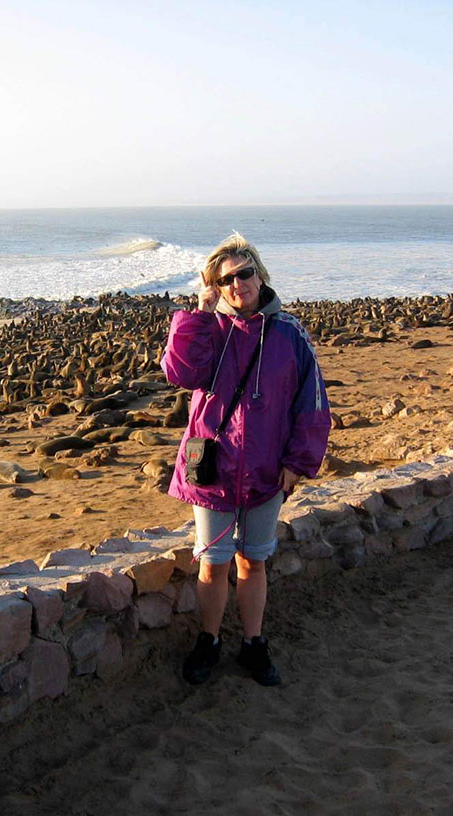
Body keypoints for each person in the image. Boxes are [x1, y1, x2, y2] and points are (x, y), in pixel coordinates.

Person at [161, 232, 331, 686]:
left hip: (266, 471)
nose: (238, 285)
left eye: (244, 273)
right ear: (215, 286)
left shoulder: (290, 333)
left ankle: (253, 643)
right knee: (213, 562)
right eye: (226, 279)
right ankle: (209, 640)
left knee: (253, 561)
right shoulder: (209, 328)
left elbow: (312, 403)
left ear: (260, 274)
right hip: (213, 470)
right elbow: (179, 371)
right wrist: (199, 313)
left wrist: (297, 463)